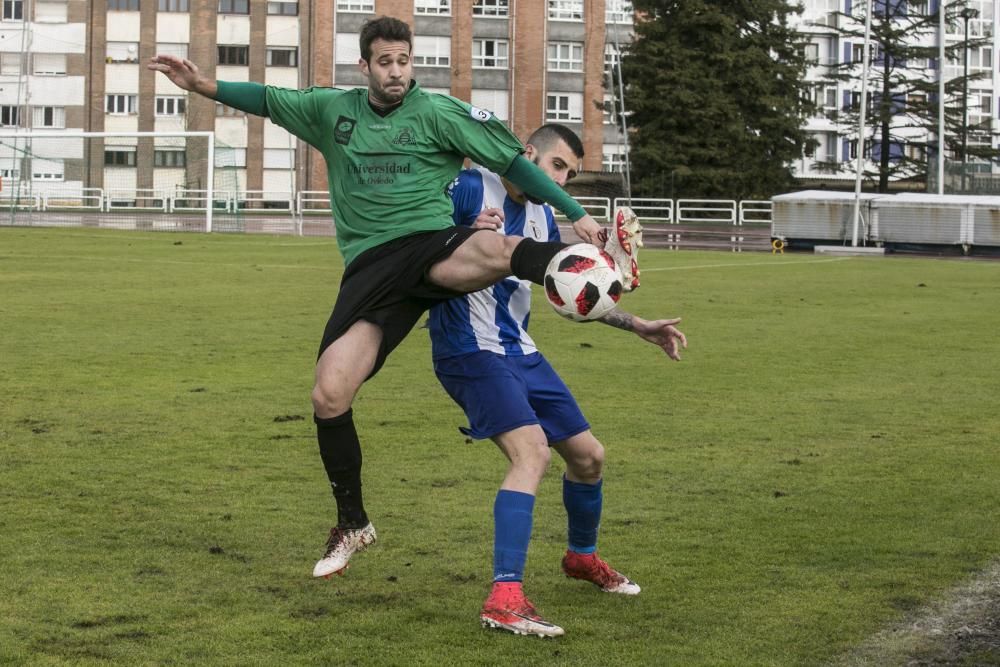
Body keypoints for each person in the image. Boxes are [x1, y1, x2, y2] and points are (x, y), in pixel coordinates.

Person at [148, 16, 640, 579]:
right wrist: (202, 85)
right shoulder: (331, 111)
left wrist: (577, 216)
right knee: (329, 394)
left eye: (404, 62)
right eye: (385, 62)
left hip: (430, 245)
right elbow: (266, 97)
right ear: (366, 65)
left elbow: (513, 163)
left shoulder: (437, 113)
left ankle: (583, 266)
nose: (397, 72)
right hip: (370, 271)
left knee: (497, 249)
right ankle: (353, 522)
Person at [428, 124, 686, 637]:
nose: (563, 181)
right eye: (558, 167)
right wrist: (453, 230)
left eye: (569, 173)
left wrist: (636, 324)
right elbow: (411, 244)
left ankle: (581, 558)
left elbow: (571, 295)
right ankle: (504, 598)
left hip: (521, 352)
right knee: (533, 454)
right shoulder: (471, 186)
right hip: (468, 350)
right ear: (527, 155)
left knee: (589, 457)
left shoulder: (545, 216)